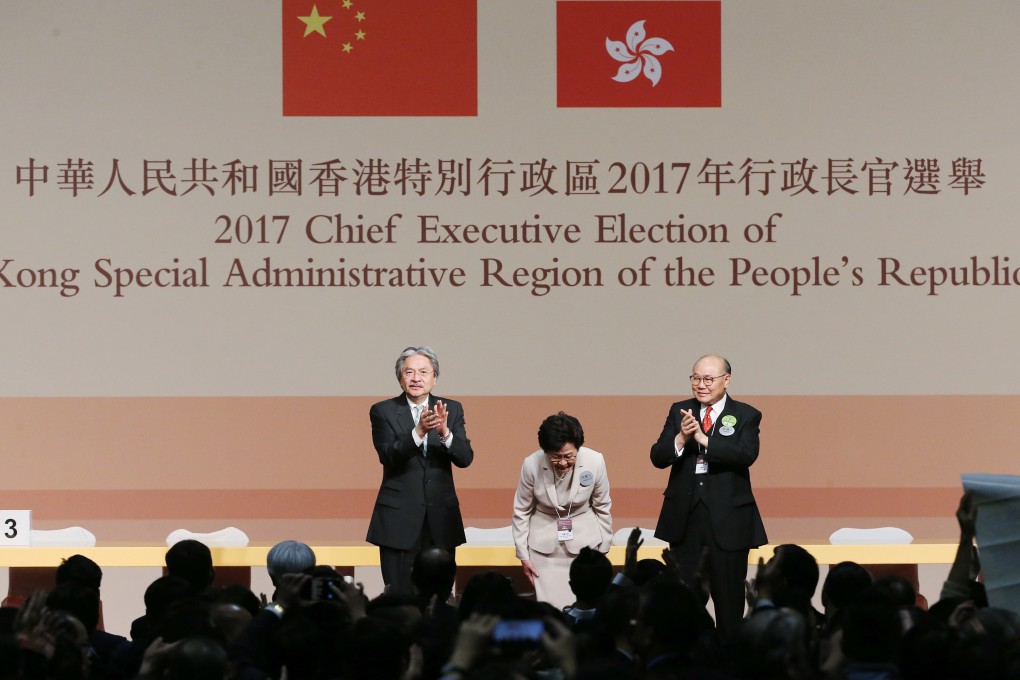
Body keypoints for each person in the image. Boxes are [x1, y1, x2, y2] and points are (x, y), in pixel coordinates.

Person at [650, 353, 767, 637]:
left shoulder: (746, 414)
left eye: (708, 379)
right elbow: (658, 456)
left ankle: (728, 662)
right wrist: (681, 439)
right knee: (685, 606)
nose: (700, 384)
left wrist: (703, 439)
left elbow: (745, 454)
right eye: (696, 378)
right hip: (686, 522)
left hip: (728, 522)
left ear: (726, 380)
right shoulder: (680, 410)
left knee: (729, 603)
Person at [367, 345, 475, 595]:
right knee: (399, 593)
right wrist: (418, 432)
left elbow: (465, 458)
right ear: (400, 377)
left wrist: (445, 433)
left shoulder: (452, 408)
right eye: (409, 372)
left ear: (434, 378)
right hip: (398, 519)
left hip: (441, 518)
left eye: (424, 372)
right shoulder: (383, 411)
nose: (416, 378)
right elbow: (388, 455)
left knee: (439, 595)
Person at [512, 412, 612, 609]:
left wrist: (603, 551)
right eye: (556, 457)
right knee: (551, 611)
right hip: (543, 549)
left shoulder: (595, 461)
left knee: (586, 608)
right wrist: (523, 555)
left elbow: (602, 506)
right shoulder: (532, 464)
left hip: (586, 546)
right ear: (545, 451)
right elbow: (521, 510)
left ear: (578, 447)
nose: (563, 463)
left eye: (569, 456)